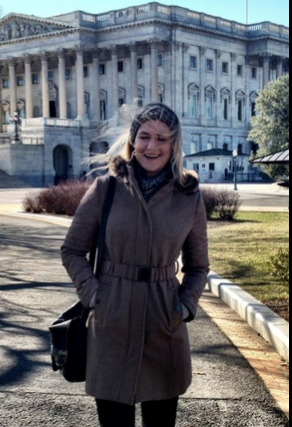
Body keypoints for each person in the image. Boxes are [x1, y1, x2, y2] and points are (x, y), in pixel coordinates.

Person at [61, 103, 210, 427]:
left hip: (163, 321)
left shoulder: (189, 194)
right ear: (132, 140)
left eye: (162, 138)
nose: (151, 146)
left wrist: (183, 308)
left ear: (174, 144)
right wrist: (95, 296)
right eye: (144, 136)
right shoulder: (107, 188)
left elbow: (198, 266)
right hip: (112, 321)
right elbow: (72, 250)